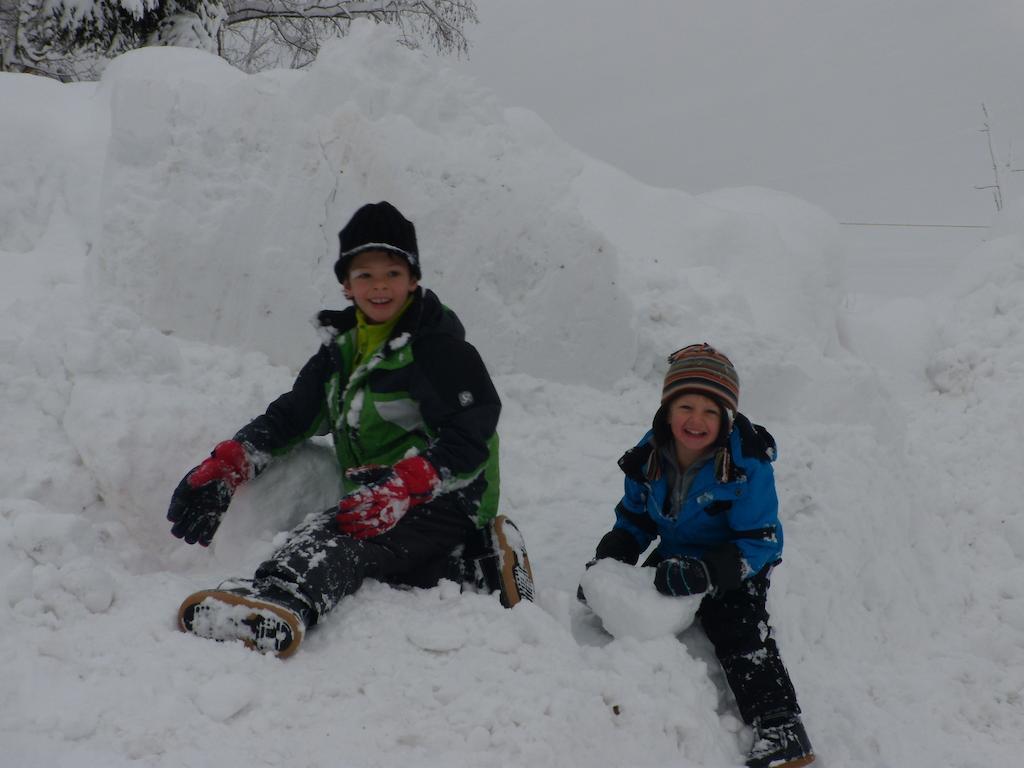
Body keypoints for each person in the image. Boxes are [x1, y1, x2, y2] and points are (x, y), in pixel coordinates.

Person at [167, 201, 534, 658]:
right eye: (365, 274)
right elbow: (293, 417)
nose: (379, 285)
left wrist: (403, 489)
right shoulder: (341, 352)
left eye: (393, 272)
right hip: (378, 492)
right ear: (346, 284)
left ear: (414, 279)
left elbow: (471, 434)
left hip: (448, 494)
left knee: (341, 534)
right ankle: (476, 562)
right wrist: (232, 461)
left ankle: (281, 599)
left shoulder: (439, 350)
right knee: (379, 552)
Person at [580, 343, 814, 768]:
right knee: (629, 602)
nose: (696, 420)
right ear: (667, 411)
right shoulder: (649, 455)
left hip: (736, 558)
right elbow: (635, 517)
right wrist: (613, 559)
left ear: (726, 419)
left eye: (711, 411)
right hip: (678, 552)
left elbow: (761, 540)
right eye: (685, 406)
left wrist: (708, 573)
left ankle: (781, 726)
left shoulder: (746, 464)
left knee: (735, 623)